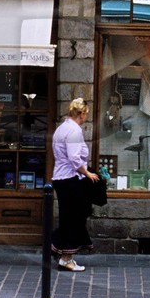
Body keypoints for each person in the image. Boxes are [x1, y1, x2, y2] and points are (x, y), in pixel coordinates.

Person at [51, 96, 100, 271]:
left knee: (71, 216)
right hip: (70, 179)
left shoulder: (61, 128)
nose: (86, 117)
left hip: (61, 178)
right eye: (86, 113)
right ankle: (66, 257)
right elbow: (73, 157)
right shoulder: (74, 131)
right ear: (81, 113)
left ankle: (58, 247)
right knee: (74, 218)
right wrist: (87, 173)